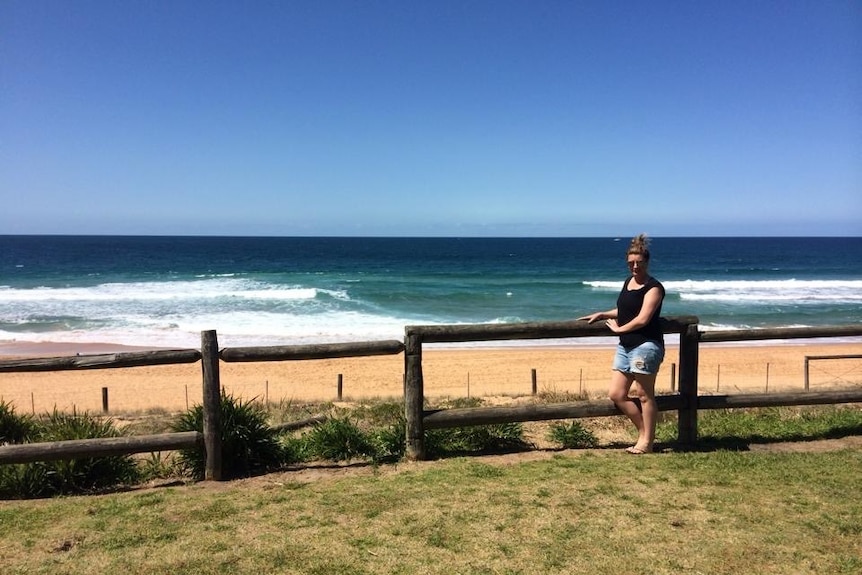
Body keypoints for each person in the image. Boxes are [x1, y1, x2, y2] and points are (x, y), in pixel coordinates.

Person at [578, 234, 665, 454]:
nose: (635, 266)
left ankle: (646, 442)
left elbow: (643, 319)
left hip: (645, 346)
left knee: (645, 395)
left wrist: (618, 329)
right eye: (631, 263)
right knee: (617, 394)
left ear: (647, 262)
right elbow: (626, 311)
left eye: (639, 262)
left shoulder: (654, 288)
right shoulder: (628, 283)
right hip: (625, 346)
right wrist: (602, 314)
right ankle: (645, 435)